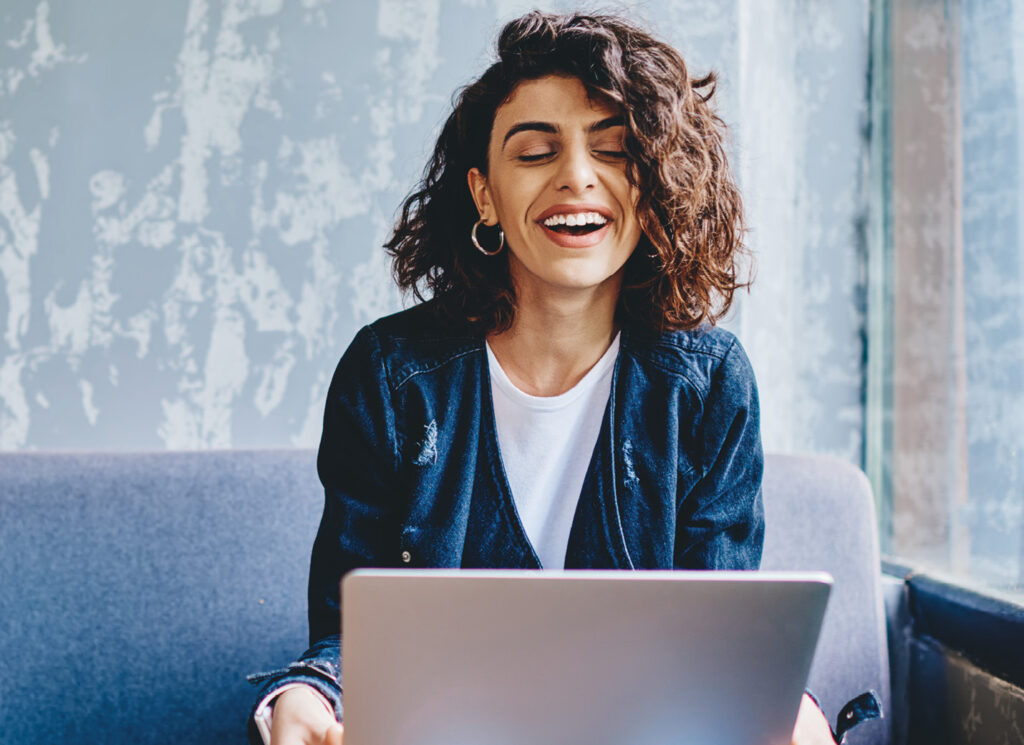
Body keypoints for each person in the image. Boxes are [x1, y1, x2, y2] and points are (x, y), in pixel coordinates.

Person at [249, 10, 836, 745]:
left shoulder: (711, 384)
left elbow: (723, 651)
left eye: (617, 150)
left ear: (653, 187)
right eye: (535, 152)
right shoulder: (390, 376)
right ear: (484, 194)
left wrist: (783, 708)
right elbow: (348, 640)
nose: (577, 177)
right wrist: (301, 697)